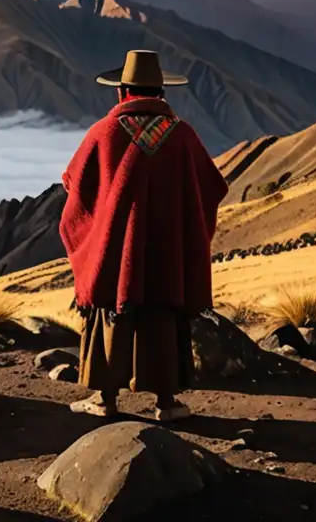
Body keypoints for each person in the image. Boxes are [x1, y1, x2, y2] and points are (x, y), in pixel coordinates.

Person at [58, 50, 229, 422]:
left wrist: (103, 221)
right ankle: (166, 404)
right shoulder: (182, 135)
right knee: (163, 314)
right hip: (168, 250)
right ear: (160, 92)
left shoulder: (103, 132)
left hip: (116, 250)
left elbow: (76, 187)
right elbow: (211, 187)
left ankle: (105, 400)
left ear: (123, 92)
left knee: (111, 306)